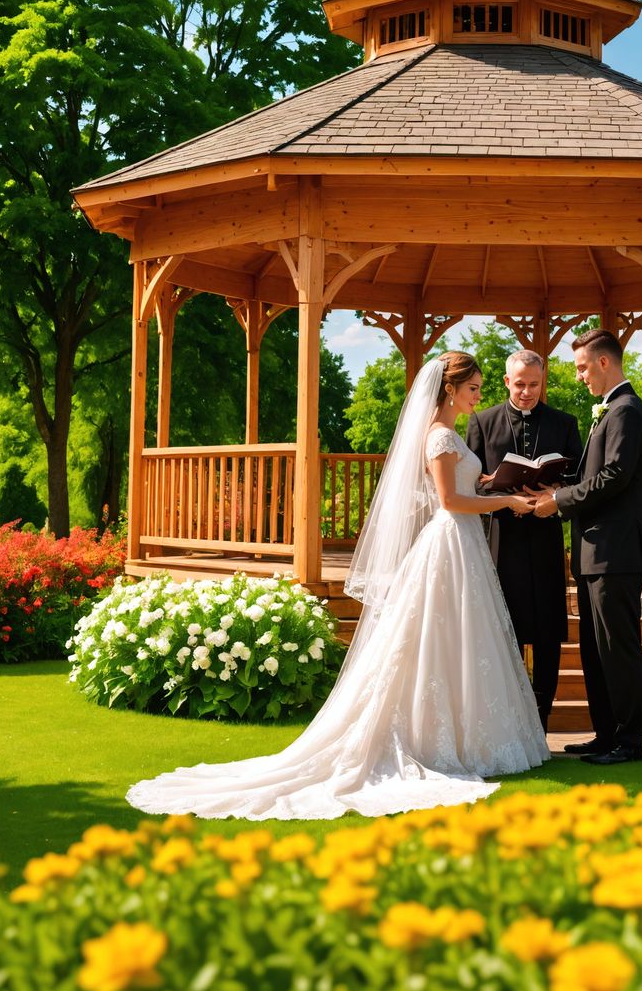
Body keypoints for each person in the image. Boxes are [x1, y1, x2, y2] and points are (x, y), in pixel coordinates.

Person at [125, 352, 550, 821]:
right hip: (450, 539)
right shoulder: (441, 436)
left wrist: (490, 482)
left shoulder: (445, 435)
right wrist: (507, 500)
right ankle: (436, 739)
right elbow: (449, 501)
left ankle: (462, 735)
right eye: (473, 388)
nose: (479, 396)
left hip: (461, 544)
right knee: (438, 637)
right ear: (450, 390)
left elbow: (457, 487)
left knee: (458, 639)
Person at [530, 329, 642, 765]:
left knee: (618, 649)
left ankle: (628, 742)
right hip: (593, 552)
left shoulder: (627, 411)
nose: (579, 376)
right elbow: (592, 476)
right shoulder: (609, 410)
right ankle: (605, 735)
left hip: (616, 553)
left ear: (603, 362)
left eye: (582, 367)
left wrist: (558, 501)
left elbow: (614, 477)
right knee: (596, 650)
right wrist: (551, 486)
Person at [466, 348, 583, 729]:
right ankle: (511, 722)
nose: (527, 392)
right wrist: (504, 494)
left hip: (546, 539)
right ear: (506, 382)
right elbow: (470, 485)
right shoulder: (482, 422)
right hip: (502, 540)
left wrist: (553, 492)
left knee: (548, 632)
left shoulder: (564, 424)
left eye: (534, 384)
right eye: (520, 385)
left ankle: (542, 717)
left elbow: (578, 480)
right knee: (506, 629)